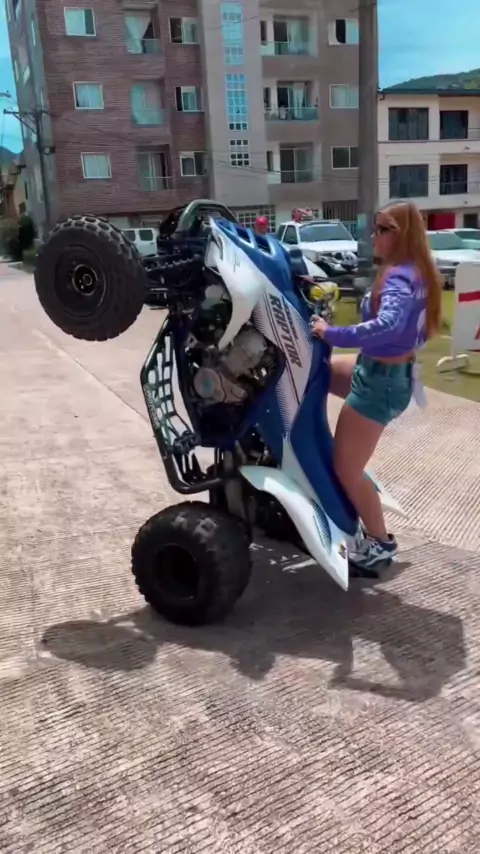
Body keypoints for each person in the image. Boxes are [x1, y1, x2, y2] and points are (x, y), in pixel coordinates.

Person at [311, 200, 442, 569]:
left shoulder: (400, 277)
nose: (375, 236)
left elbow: (387, 325)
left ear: (402, 235)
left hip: (380, 383)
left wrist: (331, 332)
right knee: (317, 374)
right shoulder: (414, 270)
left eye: (383, 229)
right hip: (380, 371)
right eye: (376, 227)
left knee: (346, 467)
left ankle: (381, 543)